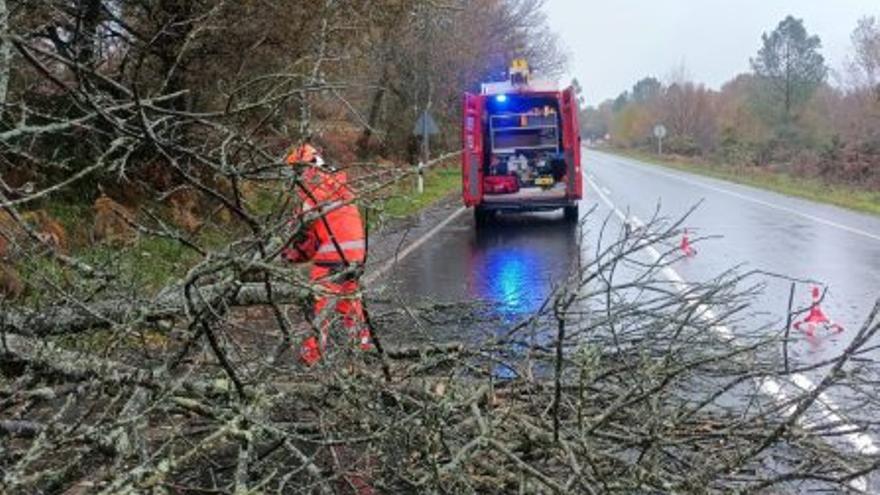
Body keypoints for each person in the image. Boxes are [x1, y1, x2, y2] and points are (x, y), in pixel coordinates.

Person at [283, 143, 372, 366]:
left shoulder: (312, 193)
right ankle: (361, 347)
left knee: (317, 309)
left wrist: (289, 255)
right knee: (350, 305)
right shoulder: (339, 183)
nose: (296, 177)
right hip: (355, 256)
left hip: (332, 258)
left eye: (297, 170)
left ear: (307, 167)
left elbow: (303, 237)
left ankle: (310, 357)